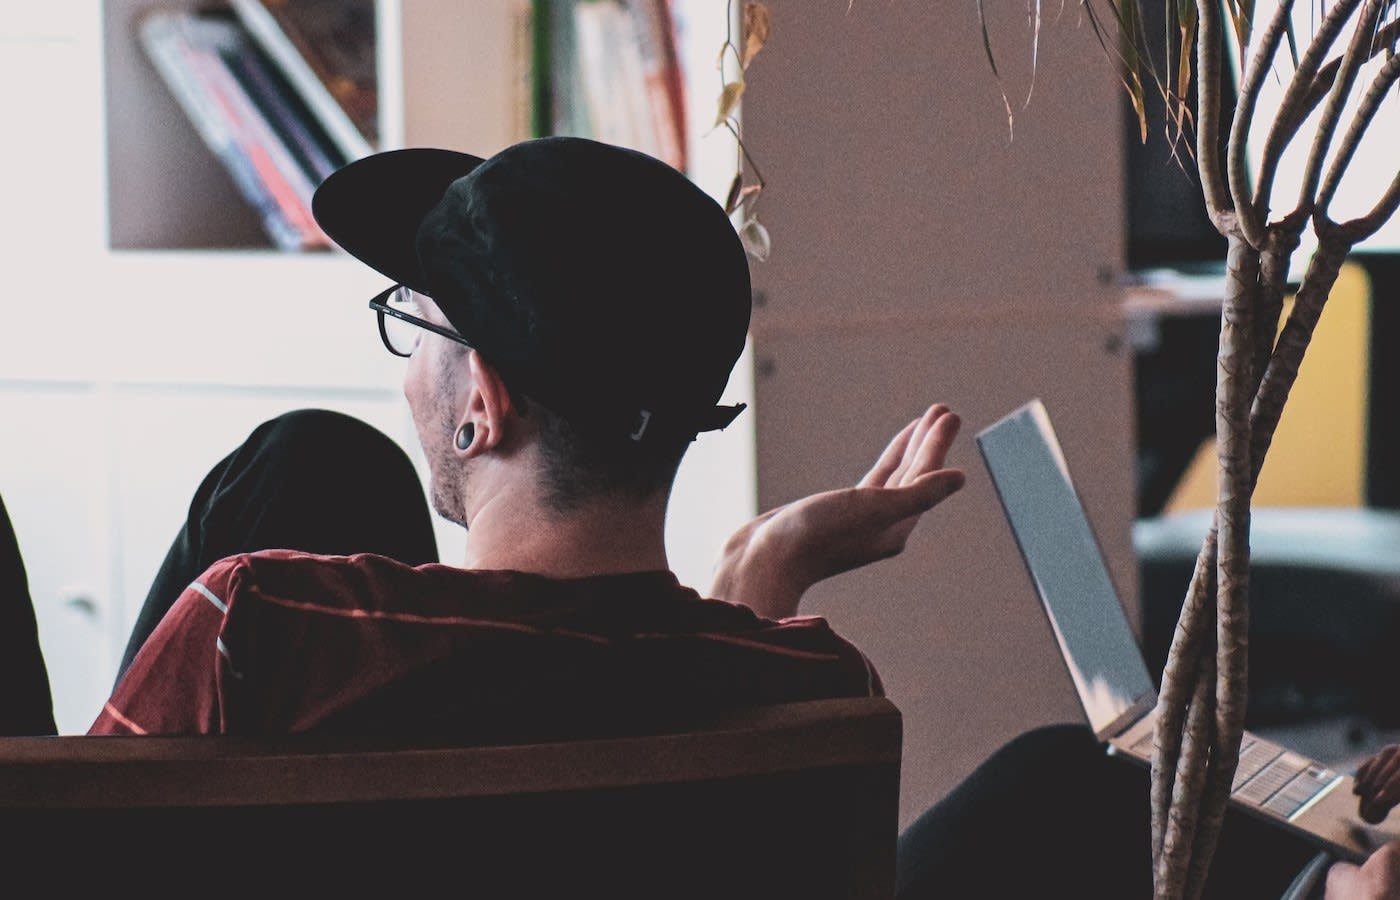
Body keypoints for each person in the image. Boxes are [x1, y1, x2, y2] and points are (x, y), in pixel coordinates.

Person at [1, 135, 1395, 896]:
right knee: (1066, 773)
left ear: (479, 401)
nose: (407, 363)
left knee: (304, 461)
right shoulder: (809, 688)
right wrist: (763, 567)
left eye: (410, 326)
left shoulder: (269, 619)